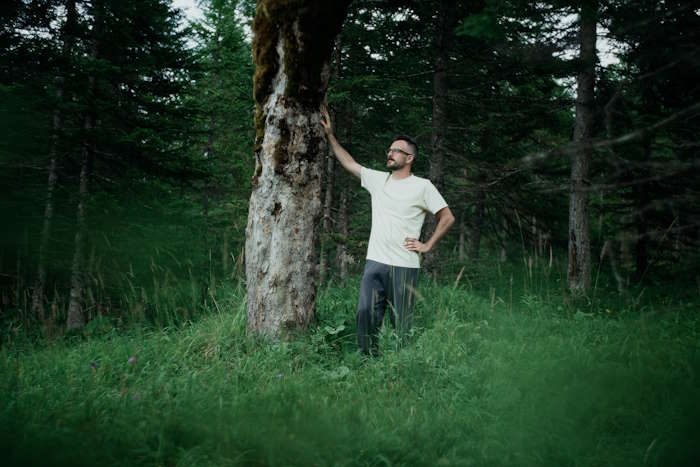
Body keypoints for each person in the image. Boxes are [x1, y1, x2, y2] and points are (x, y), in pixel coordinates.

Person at [320, 106, 455, 355]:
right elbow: (349, 163)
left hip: (405, 265)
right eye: (389, 150)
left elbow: (447, 217)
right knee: (365, 313)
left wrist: (427, 245)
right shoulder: (377, 179)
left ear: (409, 158)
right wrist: (330, 135)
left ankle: (400, 366)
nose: (390, 154)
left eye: (396, 151)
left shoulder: (422, 186)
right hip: (376, 263)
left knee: (401, 323)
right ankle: (368, 360)